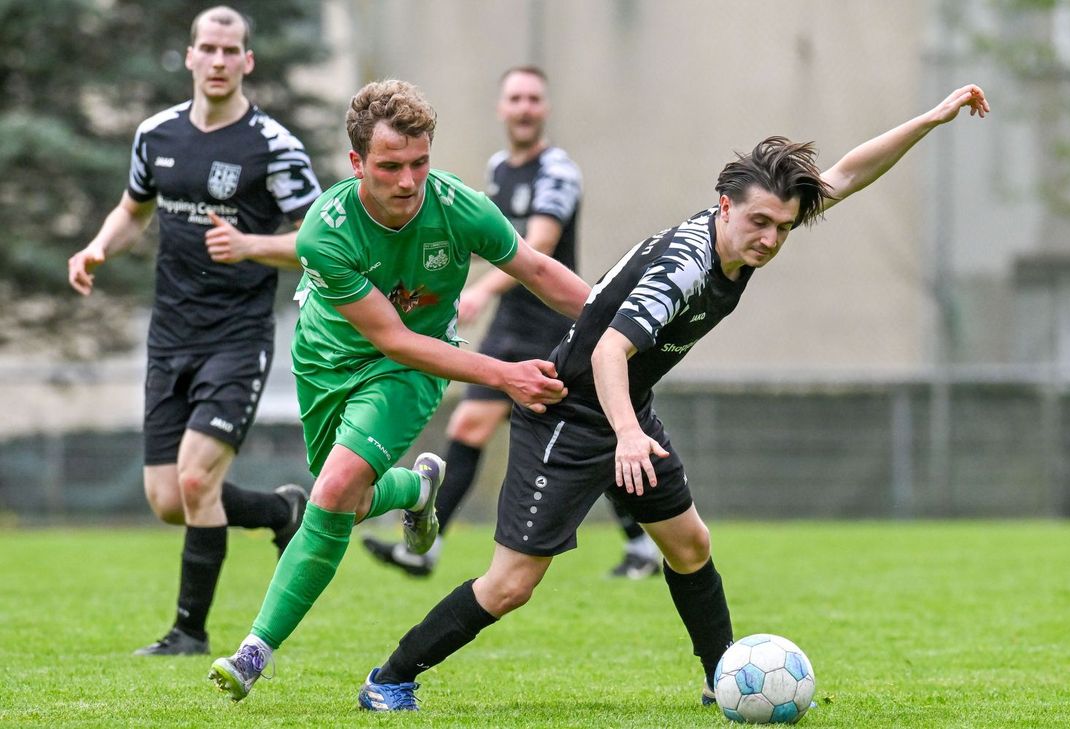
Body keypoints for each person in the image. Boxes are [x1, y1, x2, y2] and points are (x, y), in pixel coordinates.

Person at [352, 84, 991, 712]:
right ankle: (391, 677)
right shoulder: (685, 267)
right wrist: (629, 436)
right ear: (724, 206)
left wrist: (931, 119)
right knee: (511, 584)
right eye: (758, 222)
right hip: (568, 416)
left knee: (689, 545)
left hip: (624, 405)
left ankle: (724, 680)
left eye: (782, 228)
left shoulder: (748, 237)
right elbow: (608, 352)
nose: (769, 239)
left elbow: (848, 173)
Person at [207, 78, 591, 701]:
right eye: (390, 166)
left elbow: (538, 271)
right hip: (327, 363)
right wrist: (505, 373)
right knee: (349, 504)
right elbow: (389, 334)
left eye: (420, 163)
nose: (408, 182)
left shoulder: (458, 207)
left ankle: (254, 651)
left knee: (330, 492)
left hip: (410, 369)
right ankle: (416, 488)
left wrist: (627, 324)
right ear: (357, 162)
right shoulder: (324, 232)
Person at [66, 6, 322, 656]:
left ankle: (189, 631)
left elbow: (322, 238)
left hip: (237, 336)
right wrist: (96, 249)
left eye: (229, 50)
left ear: (247, 62)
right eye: (206, 48)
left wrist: (253, 245)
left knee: (195, 479)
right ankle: (279, 509)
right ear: (189, 57)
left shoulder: (273, 146)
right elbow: (133, 210)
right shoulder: (156, 135)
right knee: (167, 497)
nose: (216, 60)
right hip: (170, 334)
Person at [361, 66, 662, 580]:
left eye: (533, 99)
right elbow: (482, 241)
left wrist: (480, 290)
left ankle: (643, 543)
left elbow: (537, 248)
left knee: (593, 428)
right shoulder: (500, 168)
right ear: (502, 108)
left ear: (544, 109)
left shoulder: (558, 171)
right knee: (469, 425)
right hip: (511, 324)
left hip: (555, 324)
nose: (523, 107)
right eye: (515, 98)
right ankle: (425, 548)